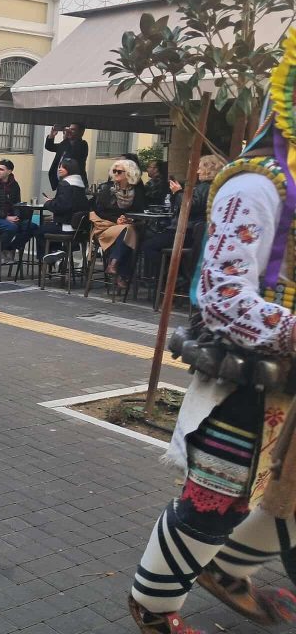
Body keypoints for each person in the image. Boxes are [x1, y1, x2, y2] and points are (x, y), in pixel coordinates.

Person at [127, 34, 296, 634]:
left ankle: (226, 569)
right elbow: (224, 302)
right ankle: (153, 605)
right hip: (244, 386)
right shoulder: (255, 186)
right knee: (212, 504)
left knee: (291, 499)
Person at [138, 156, 224, 276]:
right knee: (152, 239)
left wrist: (178, 192)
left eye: (199, 168)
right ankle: (172, 275)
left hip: (186, 232)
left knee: (148, 245)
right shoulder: (217, 187)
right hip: (195, 232)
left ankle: (169, 277)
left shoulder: (204, 187)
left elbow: (192, 207)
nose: (197, 171)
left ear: (208, 170)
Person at [9, 158, 89, 262]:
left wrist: (48, 203)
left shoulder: (65, 184)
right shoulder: (80, 184)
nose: (60, 169)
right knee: (48, 226)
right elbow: (71, 203)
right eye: (59, 166)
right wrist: (55, 201)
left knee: (39, 231)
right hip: (79, 229)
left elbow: (61, 206)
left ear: (70, 169)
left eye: (63, 167)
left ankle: (48, 258)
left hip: (66, 227)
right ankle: (57, 251)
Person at [89, 158, 147, 289]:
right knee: (129, 233)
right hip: (106, 226)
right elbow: (98, 211)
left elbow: (141, 210)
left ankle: (114, 264)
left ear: (129, 174)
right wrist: (116, 220)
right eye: (114, 171)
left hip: (127, 226)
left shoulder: (136, 190)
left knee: (128, 231)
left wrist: (129, 218)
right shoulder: (106, 188)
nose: (115, 174)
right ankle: (119, 270)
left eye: (119, 171)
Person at [0, 158, 23, 263]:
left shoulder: (14, 185)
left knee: (30, 227)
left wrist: (17, 216)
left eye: (1, 169)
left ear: (9, 171)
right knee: (11, 227)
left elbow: (17, 204)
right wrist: (6, 217)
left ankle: (9, 248)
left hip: (10, 217)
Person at [45, 122, 88, 190]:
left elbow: (73, 153)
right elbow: (49, 147)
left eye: (73, 130)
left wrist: (67, 136)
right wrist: (52, 134)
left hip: (74, 183)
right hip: (61, 181)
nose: (69, 131)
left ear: (81, 132)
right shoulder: (65, 144)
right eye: (69, 129)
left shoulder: (83, 145)